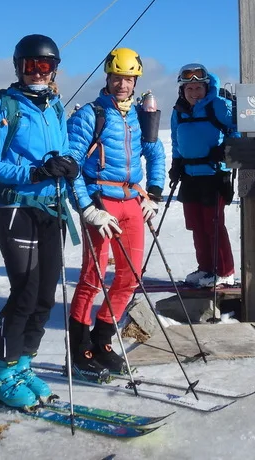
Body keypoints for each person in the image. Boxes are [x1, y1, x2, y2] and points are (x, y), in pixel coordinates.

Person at [0, 34, 79, 408]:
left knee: (45, 297)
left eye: (45, 66)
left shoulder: (54, 106)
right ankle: (1, 374)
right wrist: (35, 173)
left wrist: (69, 165)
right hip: (17, 208)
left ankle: (23, 364)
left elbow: (64, 150)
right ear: (18, 66)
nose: (37, 72)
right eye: (30, 65)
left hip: (51, 209)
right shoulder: (3, 107)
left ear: (54, 70)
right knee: (24, 294)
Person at [66, 47, 166, 374]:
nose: (122, 85)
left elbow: (155, 153)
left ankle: (103, 339)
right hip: (101, 202)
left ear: (136, 81)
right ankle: (80, 348)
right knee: (92, 277)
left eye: (128, 79)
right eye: (117, 78)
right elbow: (72, 167)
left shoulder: (139, 116)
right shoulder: (91, 115)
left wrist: (153, 192)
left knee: (131, 275)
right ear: (107, 78)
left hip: (132, 202)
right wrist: (88, 208)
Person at [169, 63, 238, 288]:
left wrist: (226, 149)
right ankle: (206, 268)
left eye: (198, 88)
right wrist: (176, 163)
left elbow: (237, 128)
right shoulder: (178, 111)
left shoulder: (218, 105)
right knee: (196, 225)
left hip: (214, 173)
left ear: (206, 87)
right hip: (190, 174)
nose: (194, 93)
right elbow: (176, 140)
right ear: (182, 91)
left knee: (214, 225)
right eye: (189, 89)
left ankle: (225, 270)